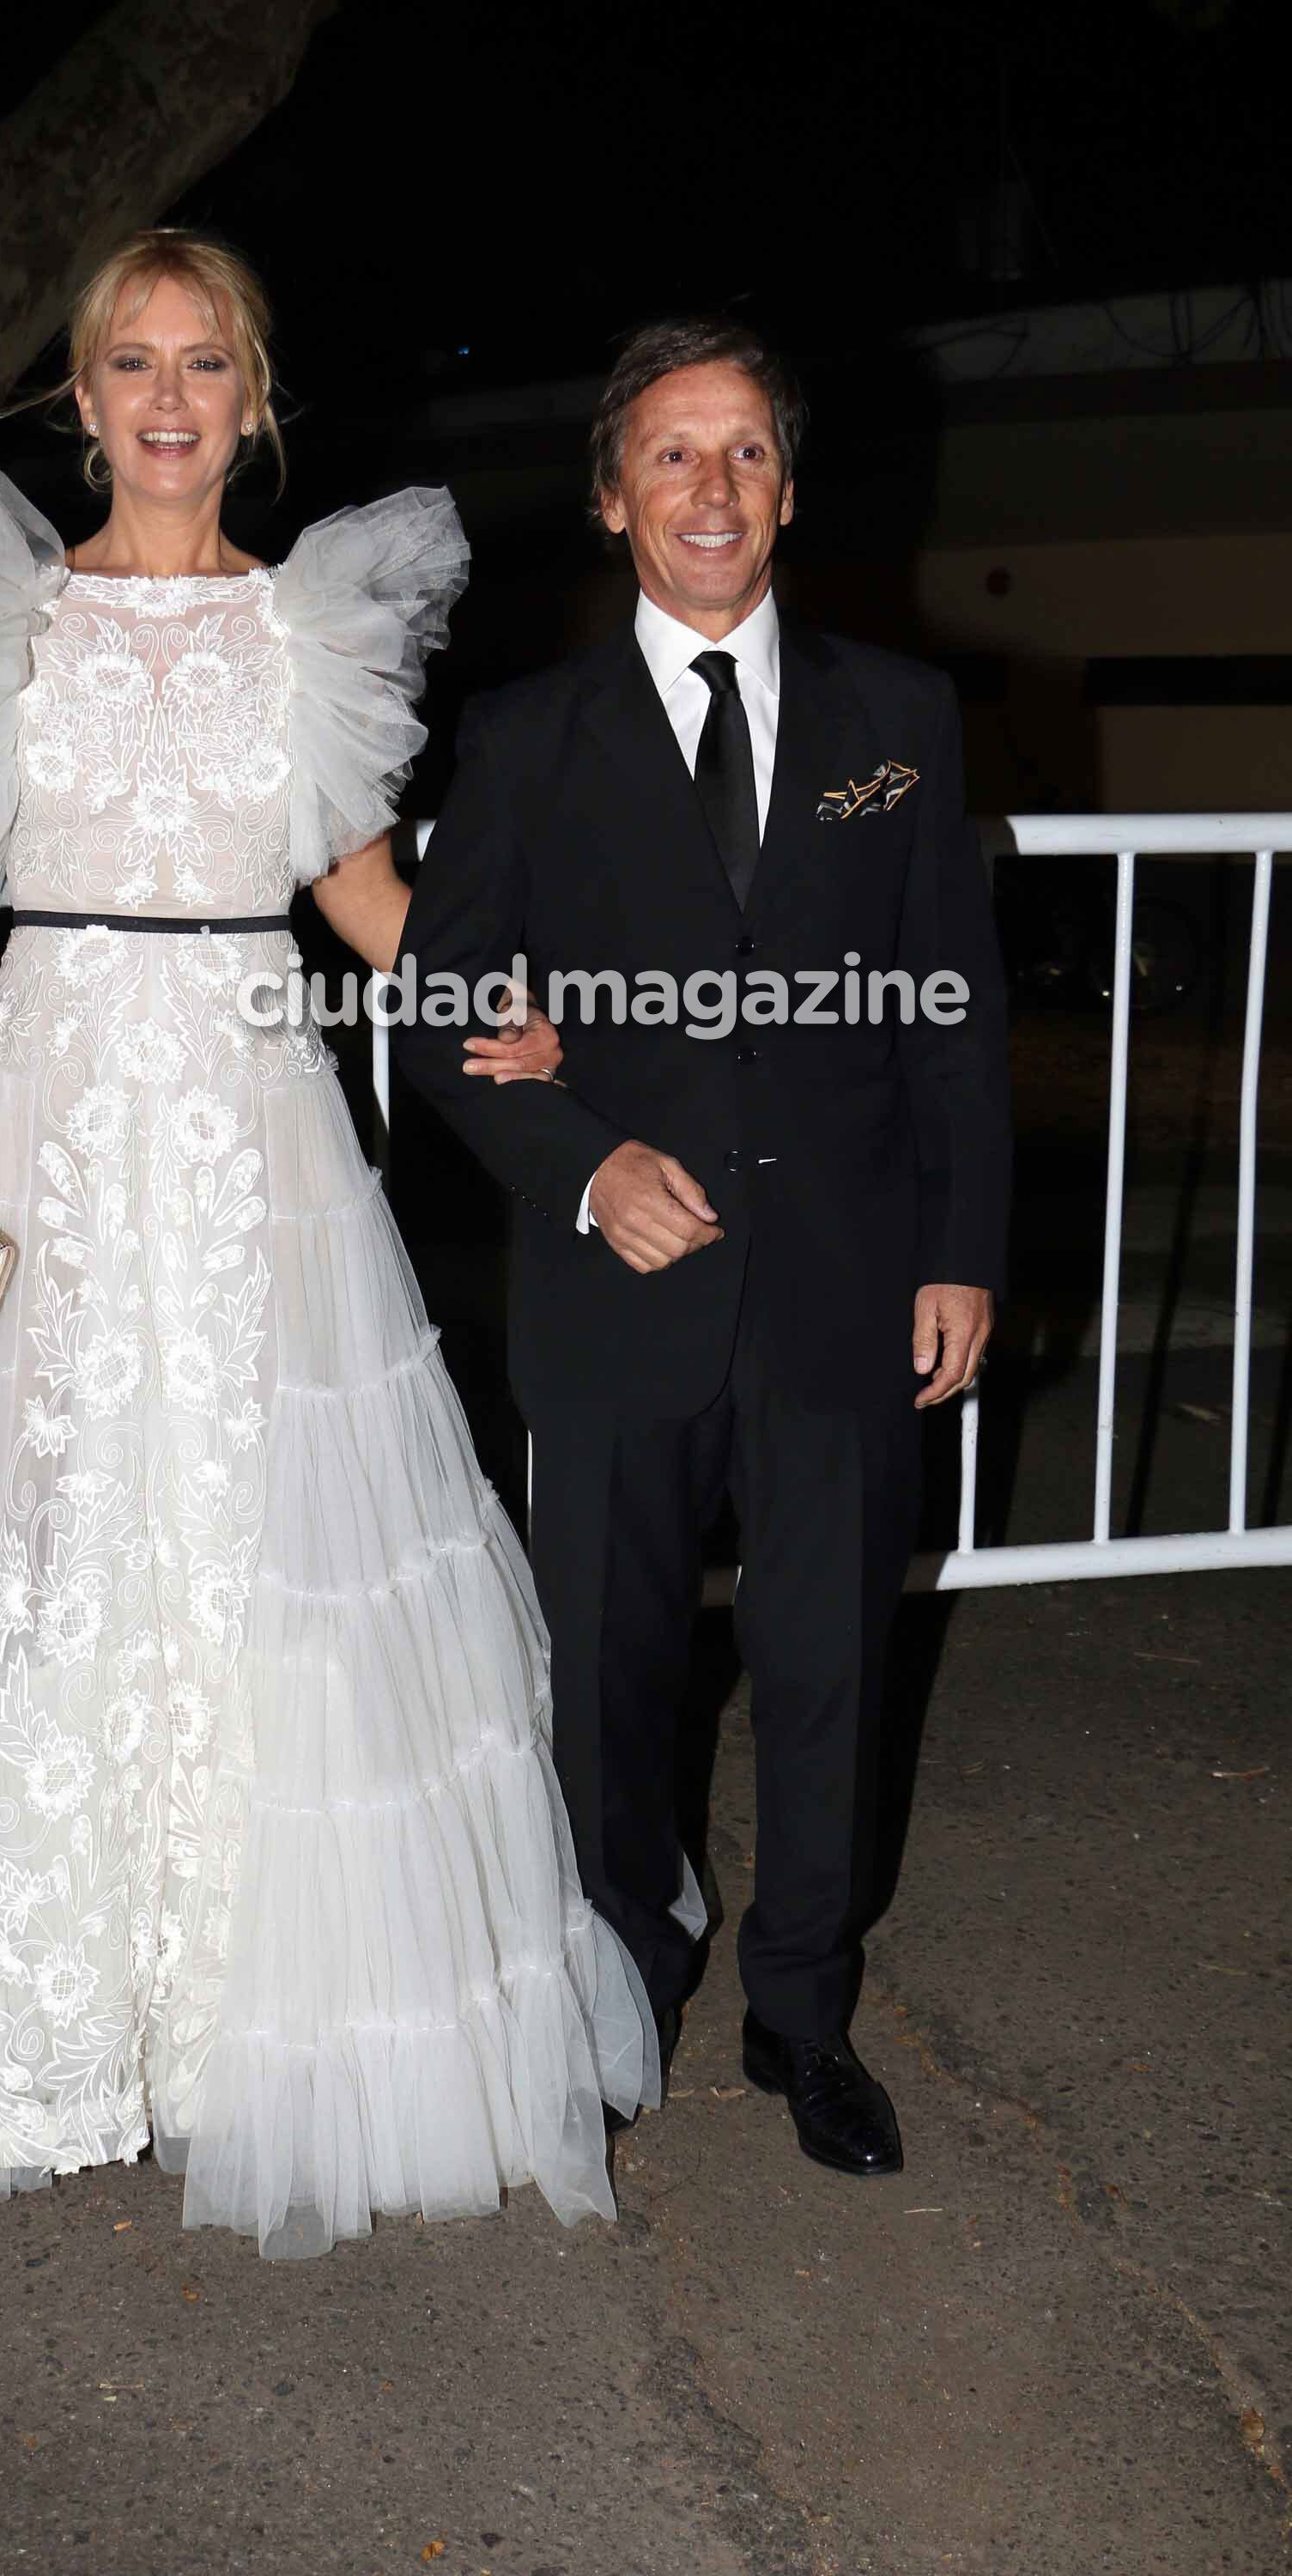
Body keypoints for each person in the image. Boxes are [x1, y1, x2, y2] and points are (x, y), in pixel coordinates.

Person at [0, 231, 658, 2256]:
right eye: (132, 363)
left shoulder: (309, 632)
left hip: (257, 1129)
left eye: (208, 363)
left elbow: (356, 894)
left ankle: (245, 2034)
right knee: (15, 1531)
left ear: (255, 401)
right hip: (41, 1125)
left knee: (266, 1533)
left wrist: (490, 1006)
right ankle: (19, 2022)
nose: (169, 397)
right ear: (81, 402)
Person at [395, 318, 1011, 2178]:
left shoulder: (896, 723)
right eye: (672, 455)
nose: (711, 488)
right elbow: (441, 1010)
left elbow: (954, 1012)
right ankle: (614, 1991)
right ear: (610, 500)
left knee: (831, 1664)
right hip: (614, 1293)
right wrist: (579, 1166)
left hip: (842, 1284)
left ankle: (804, 2016)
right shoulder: (522, 740)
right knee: (612, 1674)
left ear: (789, 489)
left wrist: (962, 1248)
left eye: (743, 452)